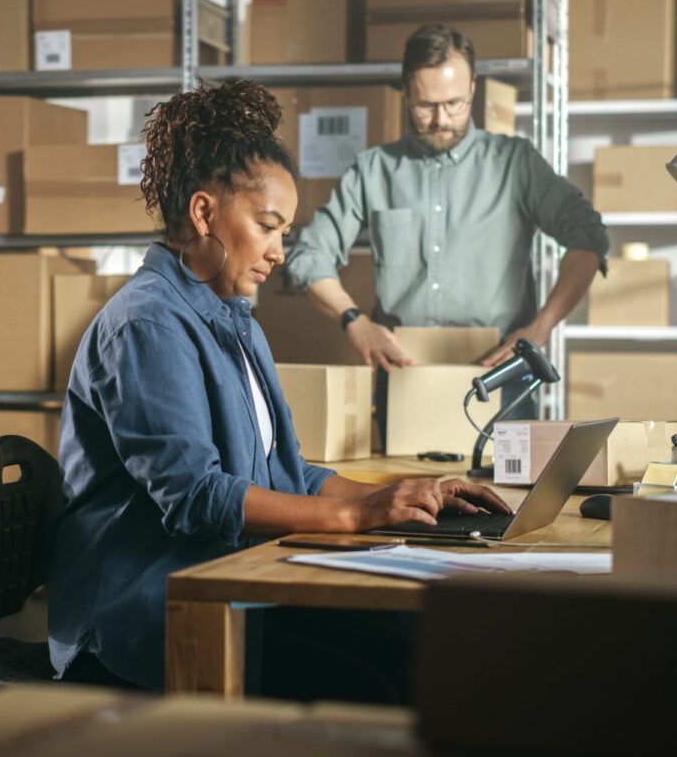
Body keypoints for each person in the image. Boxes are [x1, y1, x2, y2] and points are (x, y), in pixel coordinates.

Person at [45, 80, 509, 697]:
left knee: (411, 645)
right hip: (147, 612)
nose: (280, 252)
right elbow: (196, 500)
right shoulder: (148, 324)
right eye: (268, 226)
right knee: (387, 680)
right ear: (204, 213)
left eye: (285, 232)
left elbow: (282, 471)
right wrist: (356, 513)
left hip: (227, 581)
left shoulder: (233, 319)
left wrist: (399, 496)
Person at [285, 24, 609, 392]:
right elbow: (309, 255)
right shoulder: (374, 171)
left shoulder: (515, 163)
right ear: (406, 92)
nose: (441, 121)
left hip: (502, 377)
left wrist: (542, 326)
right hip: (404, 376)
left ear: (472, 89)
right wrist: (355, 321)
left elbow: (589, 236)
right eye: (426, 106)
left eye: (455, 104)